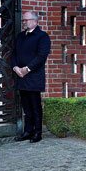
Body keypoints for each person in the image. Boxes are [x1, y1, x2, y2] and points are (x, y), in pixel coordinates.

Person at [12, 10, 51, 143]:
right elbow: (14, 54)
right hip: (21, 76)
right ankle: (28, 131)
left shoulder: (42, 36)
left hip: (34, 76)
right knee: (26, 107)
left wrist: (27, 69)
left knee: (35, 106)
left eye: (26, 20)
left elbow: (41, 57)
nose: (24, 22)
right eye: (23, 20)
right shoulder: (21, 36)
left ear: (35, 21)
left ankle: (37, 133)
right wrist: (15, 67)